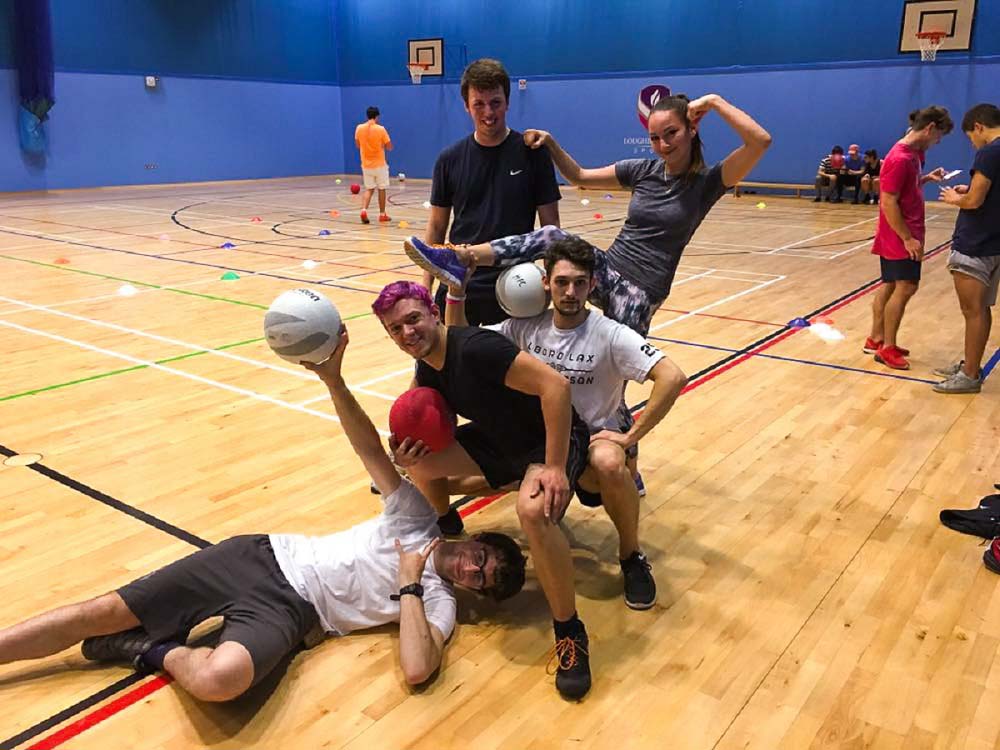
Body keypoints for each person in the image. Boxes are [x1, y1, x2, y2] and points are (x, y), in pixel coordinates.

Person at [0, 333, 525, 701]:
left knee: (218, 682)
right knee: (99, 611)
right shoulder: (416, 519)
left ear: (473, 592)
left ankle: (152, 650)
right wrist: (334, 380)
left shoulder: (436, 605)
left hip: (294, 612)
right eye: (481, 558)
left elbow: (416, 669)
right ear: (477, 538)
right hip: (261, 558)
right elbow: (370, 451)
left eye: (480, 580)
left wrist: (411, 584)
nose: (471, 570)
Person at [372, 280, 595, 700]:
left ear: (434, 314)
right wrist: (404, 450)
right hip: (499, 443)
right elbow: (422, 427)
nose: (406, 333)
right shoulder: (427, 370)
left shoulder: (475, 348)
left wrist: (553, 466)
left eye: (412, 319)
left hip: (546, 439)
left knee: (532, 512)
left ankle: (570, 632)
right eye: (394, 329)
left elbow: (557, 388)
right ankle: (445, 524)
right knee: (418, 462)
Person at [442, 237, 688, 611]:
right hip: (543, 445)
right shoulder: (526, 327)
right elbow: (459, 340)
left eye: (579, 283)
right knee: (446, 480)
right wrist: (456, 290)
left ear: (592, 285)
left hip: (589, 448)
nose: (570, 292)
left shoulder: (611, 334)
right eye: (562, 282)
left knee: (608, 461)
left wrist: (629, 436)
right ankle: (433, 519)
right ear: (546, 283)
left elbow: (672, 377)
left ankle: (631, 556)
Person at [406, 92, 770, 341]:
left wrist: (715, 102)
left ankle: (620, 451)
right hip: (605, 271)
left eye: (671, 133)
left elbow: (760, 141)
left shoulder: (707, 183)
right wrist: (550, 144)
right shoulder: (642, 170)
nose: (663, 144)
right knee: (551, 236)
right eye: (655, 137)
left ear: (692, 128)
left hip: (641, 294)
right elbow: (579, 177)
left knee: (609, 378)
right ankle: (462, 258)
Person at [422, 58, 561, 325]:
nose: (488, 112)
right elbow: (437, 228)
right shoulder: (448, 160)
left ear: (507, 102)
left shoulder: (533, 153)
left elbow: (550, 227)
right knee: (454, 364)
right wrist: (425, 289)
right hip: (461, 284)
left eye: (495, 102)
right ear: (466, 106)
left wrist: (553, 279)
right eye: (479, 104)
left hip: (518, 287)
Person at [865, 105, 953, 370]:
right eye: (939, 136)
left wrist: (925, 178)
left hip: (899, 231)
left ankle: (877, 338)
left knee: (891, 284)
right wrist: (907, 238)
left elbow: (905, 187)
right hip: (900, 233)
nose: (938, 142)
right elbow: (888, 201)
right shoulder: (900, 158)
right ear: (930, 128)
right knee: (906, 287)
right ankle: (888, 349)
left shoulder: (914, 155)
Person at [934, 103, 1000, 394]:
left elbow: (974, 202)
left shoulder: (988, 152)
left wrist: (954, 197)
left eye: (970, 137)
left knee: (972, 310)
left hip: (976, 243)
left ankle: (970, 375)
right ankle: (970, 365)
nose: (972, 143)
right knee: (981, 308)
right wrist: (970, 190)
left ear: (978, 127)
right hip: (995, 242)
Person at [354, 106, 393, 224]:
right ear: (377, 116)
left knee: (369, 189)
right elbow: (389, 146)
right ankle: (382, 214)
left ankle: (363, 210)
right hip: (380, 164)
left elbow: (358, 145)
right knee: (382, 189)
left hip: (366, 165)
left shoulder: (359, 128)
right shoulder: (381, 129)